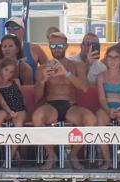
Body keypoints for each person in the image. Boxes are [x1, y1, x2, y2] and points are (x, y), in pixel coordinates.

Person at [33, 32, 92, 169]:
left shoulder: (77, 66)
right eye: (53, 46)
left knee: (90, 119)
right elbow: (36, 98)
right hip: (51, 106)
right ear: (49, 47)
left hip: (71, 106)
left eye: (60, 45)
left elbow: (84, 87)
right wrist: (42, 81)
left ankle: (73, 154)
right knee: (37, 117)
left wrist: (66, 73)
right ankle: (51, 155)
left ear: (66, 46)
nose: (57, 48)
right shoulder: (42, 68)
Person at [0, 58, 28, 164]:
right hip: (6, 109)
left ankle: (11, 154)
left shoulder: (15, 81)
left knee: (18, 123)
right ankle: (6, 148)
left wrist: (20, 111)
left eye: (11, 71)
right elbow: (2, 102)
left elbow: (21, 97)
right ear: (1, 69)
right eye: (6, 70)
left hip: (19, 108)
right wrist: (10, 112)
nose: (8, 73)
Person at [94, 46, 120, 169]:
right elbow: (101, 98)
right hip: (106, 107)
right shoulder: (101, 76)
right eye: (110, 57)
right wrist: (108, 110)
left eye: (116, 57)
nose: (112, 60)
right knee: (99, 119)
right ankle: (107, 160)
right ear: (106, 59)